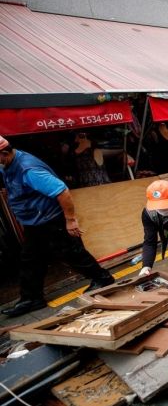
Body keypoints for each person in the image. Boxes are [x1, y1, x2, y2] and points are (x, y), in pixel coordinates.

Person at [0, 136, 115, 317]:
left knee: (71, 253)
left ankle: (103, 279)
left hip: (51, 219)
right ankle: (32, 298)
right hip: (34, 221)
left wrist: (70, 220)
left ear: (5, 153)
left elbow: (62, 191)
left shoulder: (29, 170)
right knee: (30, 259)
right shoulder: (7, 163)